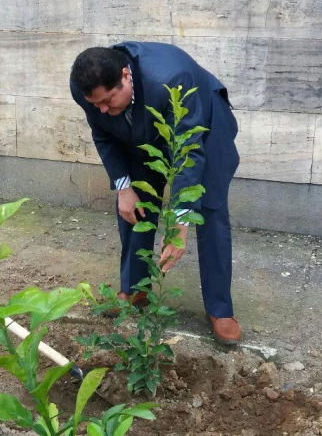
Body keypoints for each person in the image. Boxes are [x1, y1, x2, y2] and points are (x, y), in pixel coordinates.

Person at [69, 42, 242, 345]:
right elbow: (103, 133)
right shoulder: (88, 90)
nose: (103, 110)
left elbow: (189, 155)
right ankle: (136, 288)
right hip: (142, 128)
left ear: (126, 76)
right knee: (134, 202)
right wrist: (123, 187)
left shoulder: (171, 78)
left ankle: (220, 309)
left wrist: (180, 223)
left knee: (210, 209)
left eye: (109, 100)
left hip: (203, 126)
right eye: (97, 105)